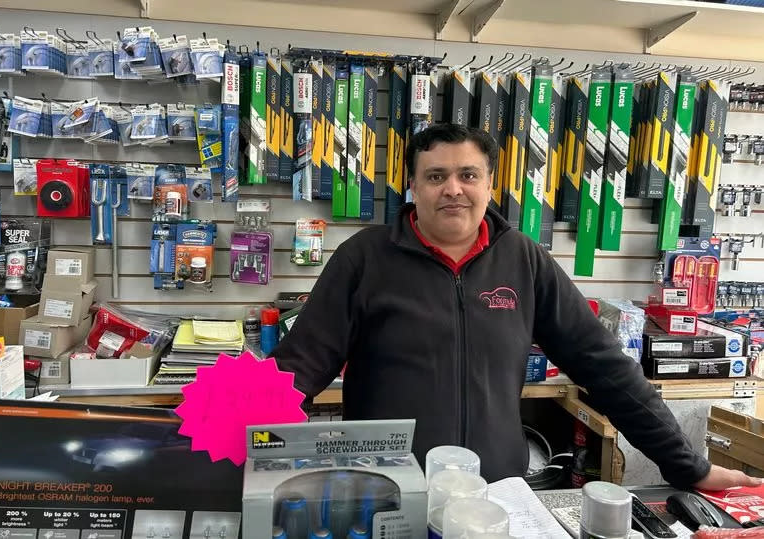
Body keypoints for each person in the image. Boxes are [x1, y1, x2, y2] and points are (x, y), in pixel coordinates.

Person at [274, 123, 761, 489]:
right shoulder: (364, 258)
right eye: (436, 176)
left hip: (497, 492)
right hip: (387, 489)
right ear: (414, 185)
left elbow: (606, 366)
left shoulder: (524, 260)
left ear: (489, 183)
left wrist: (688, 467)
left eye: (468, 174)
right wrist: (219, 445)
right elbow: (298, 369)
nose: (453, 188)